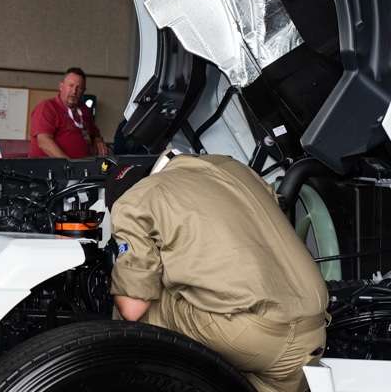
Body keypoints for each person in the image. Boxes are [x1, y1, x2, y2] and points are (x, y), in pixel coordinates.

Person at [109, 151, 329, 392]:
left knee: (135, 309)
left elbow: (132, 310)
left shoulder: (134, 201)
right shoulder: (235, 169)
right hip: (311, 333)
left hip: (250, 336)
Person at [28, 67, 107, 158]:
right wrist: (69, 165)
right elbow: (44, 142)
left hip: (82, 167)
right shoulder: (47, 107)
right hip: (51, 168)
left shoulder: (84, 109)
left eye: (79, 88)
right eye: (71, 85)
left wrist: (97, 139)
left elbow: (94, 132)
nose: (74, 91)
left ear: (83, 91)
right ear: (61, 87)